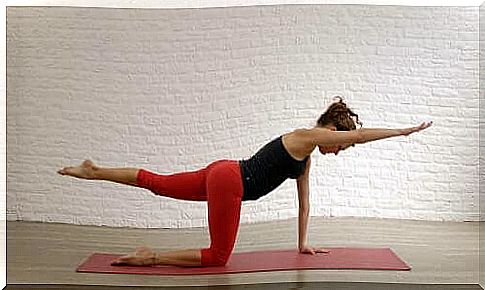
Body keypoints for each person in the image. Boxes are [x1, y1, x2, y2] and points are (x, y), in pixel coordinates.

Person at [57, 97, 432, 267]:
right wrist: (402, 131)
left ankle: (95, 170)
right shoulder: (308, 135)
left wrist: (302, 244)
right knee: (218, 257)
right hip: (231, 183)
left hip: (225, 172)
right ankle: (149, 257)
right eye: (340, 144)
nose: (338, 150)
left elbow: (304, 204)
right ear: (333, 130)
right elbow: (358, 137)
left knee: (159, 183)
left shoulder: (304, 157)